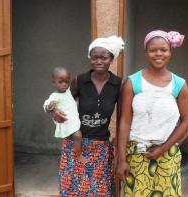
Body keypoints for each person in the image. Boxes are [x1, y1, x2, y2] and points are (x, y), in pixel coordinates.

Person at [117, 30, 188, 197]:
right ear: (146, 53)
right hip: (137, 154)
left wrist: (163, 148)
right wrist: (121, 159)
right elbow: (124, 121)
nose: (158, 54)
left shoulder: (179, 84)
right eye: (153, 50)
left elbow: (186, 121)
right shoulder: (133, 82)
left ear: (170, 52)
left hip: (168, 154)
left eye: (163, 50)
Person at [51, 35, 124, 196]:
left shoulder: (118, 84)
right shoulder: (80, 80)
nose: (99, 61)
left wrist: (119, 147)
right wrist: (54, 112)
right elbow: (62, 101)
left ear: (111, 59)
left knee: (99, 191)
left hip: (101, 147)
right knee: (73, 189)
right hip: (75, 143)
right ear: (90, 58)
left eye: (104, 58)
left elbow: (122, 118)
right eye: (94, 57)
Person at [43, 67, 85, 163]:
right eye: (60, 82)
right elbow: (46, 104)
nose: (64, 84)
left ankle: (74, 154)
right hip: (66, 122)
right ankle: (78, 155)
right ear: (54, 83)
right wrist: (51, 107)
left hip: (74, 121)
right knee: (78, 135)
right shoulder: (55, 96)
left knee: (75, 138)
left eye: (66, 82)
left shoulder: (69, 92)